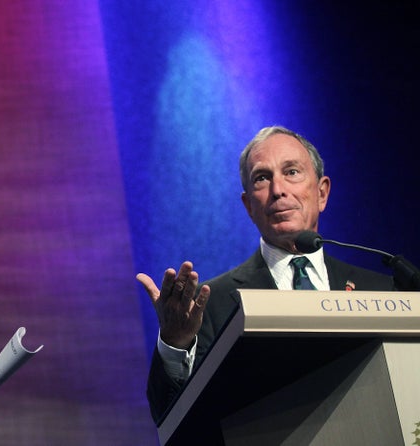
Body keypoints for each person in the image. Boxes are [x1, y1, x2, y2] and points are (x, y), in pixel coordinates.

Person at [137, 125, 394, 425]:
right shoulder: (209, 304)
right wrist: (175, 342)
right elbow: (169, 416)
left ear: (322, 192)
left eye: (292, 172)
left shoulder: (382, 290)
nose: (278, 190)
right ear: (248, 206)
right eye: (262, 178)